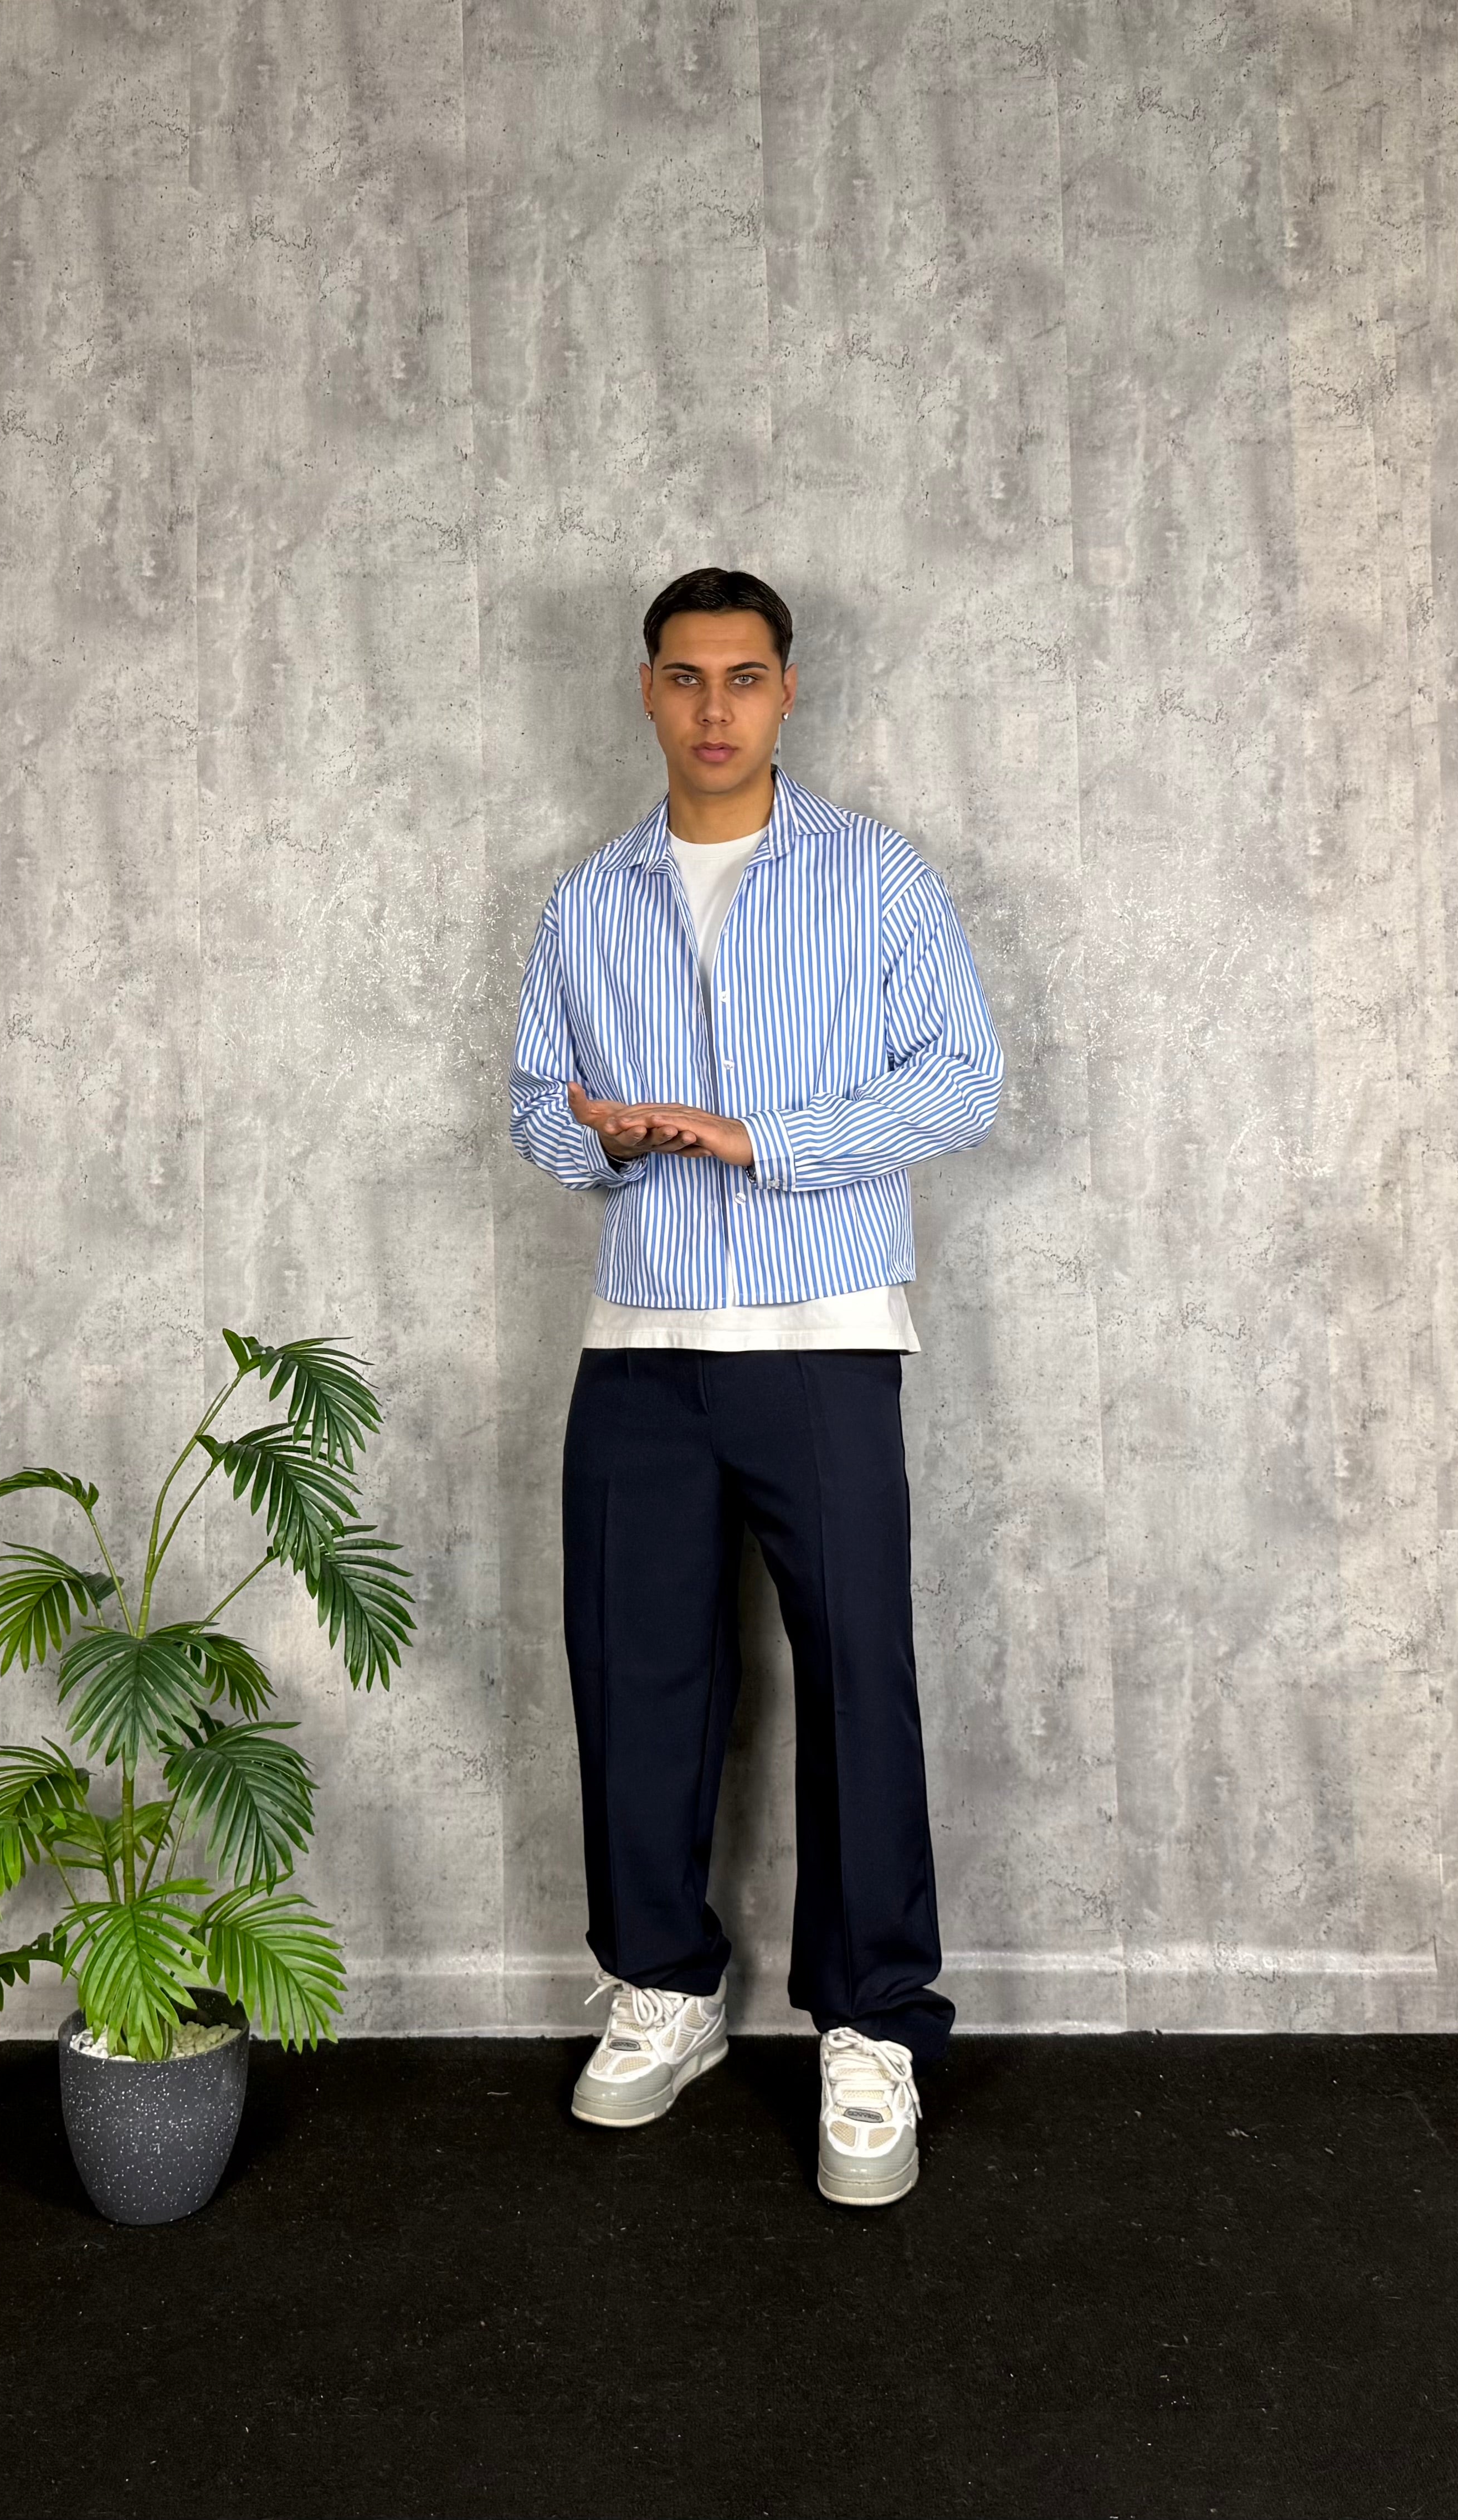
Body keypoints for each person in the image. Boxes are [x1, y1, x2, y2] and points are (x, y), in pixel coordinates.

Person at [509, 566, 1003, 2206]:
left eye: (742, 676)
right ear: (645, 692)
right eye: (684, 677)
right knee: (633, 1673)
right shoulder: (589, 900)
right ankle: (662, 1988)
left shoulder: (875, 876)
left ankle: (873, 2028)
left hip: (826, 1337)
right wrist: (600, 1135)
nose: (712, 708)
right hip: (641, 1347)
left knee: (861, 1677)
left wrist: (756, 1139)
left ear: (788, 690)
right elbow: (533, 1102)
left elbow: (965, 1080)